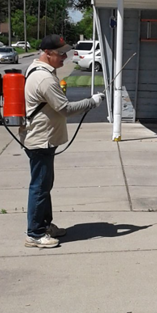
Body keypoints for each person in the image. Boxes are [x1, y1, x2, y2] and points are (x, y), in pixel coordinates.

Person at [21, 34, 105, 248]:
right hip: (41, 140)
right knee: (40, 187)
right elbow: (65, 109)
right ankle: (35, 234)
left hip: (44, 139)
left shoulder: (40, 71)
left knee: (44, 185)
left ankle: (45, 226)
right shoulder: (45, 78)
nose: (65, 57)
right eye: (60, 53)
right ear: (47, 53)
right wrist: (92, 102)